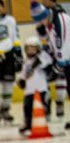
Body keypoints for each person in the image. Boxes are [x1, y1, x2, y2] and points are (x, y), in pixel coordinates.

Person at [32, 0, 70, 129]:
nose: (42, 23)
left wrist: (59, 63)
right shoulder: (49, 22)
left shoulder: (61, 19)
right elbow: (53, 45)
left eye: (42, 19)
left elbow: (62, 42)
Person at [17, 36, 53, 136]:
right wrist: (21, 80)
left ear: (38, 49)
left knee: (43, 106)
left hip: (41, 88)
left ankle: (43, 121)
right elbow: (24, 73)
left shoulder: (43, 56)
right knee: (27, 107)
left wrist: (37, 62)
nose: (31, 51)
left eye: (33, 48)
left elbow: (46, 62)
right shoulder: (26, 61)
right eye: (28, 49)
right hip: (29, 90)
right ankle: (28, 124)